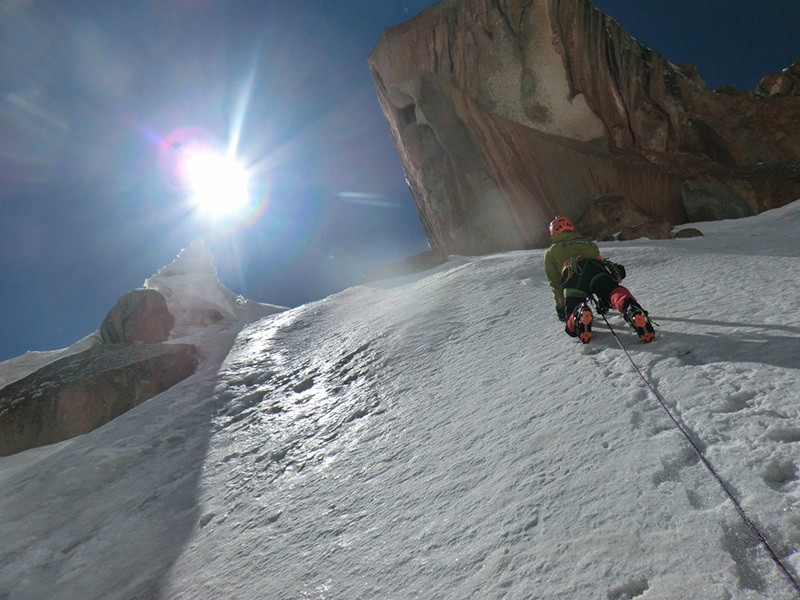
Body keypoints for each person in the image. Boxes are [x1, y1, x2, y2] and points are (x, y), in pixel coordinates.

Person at [544, 216, 655, 344]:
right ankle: (631, 308)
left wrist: (561, 308)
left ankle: (578, 313)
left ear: (553, 233)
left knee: (572, 322)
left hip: (574, 273)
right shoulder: (589, 244)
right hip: (596, 269)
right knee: (612, 291)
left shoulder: (551, 251)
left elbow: (555, 283)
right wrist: (603, 301)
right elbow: (599, 260)